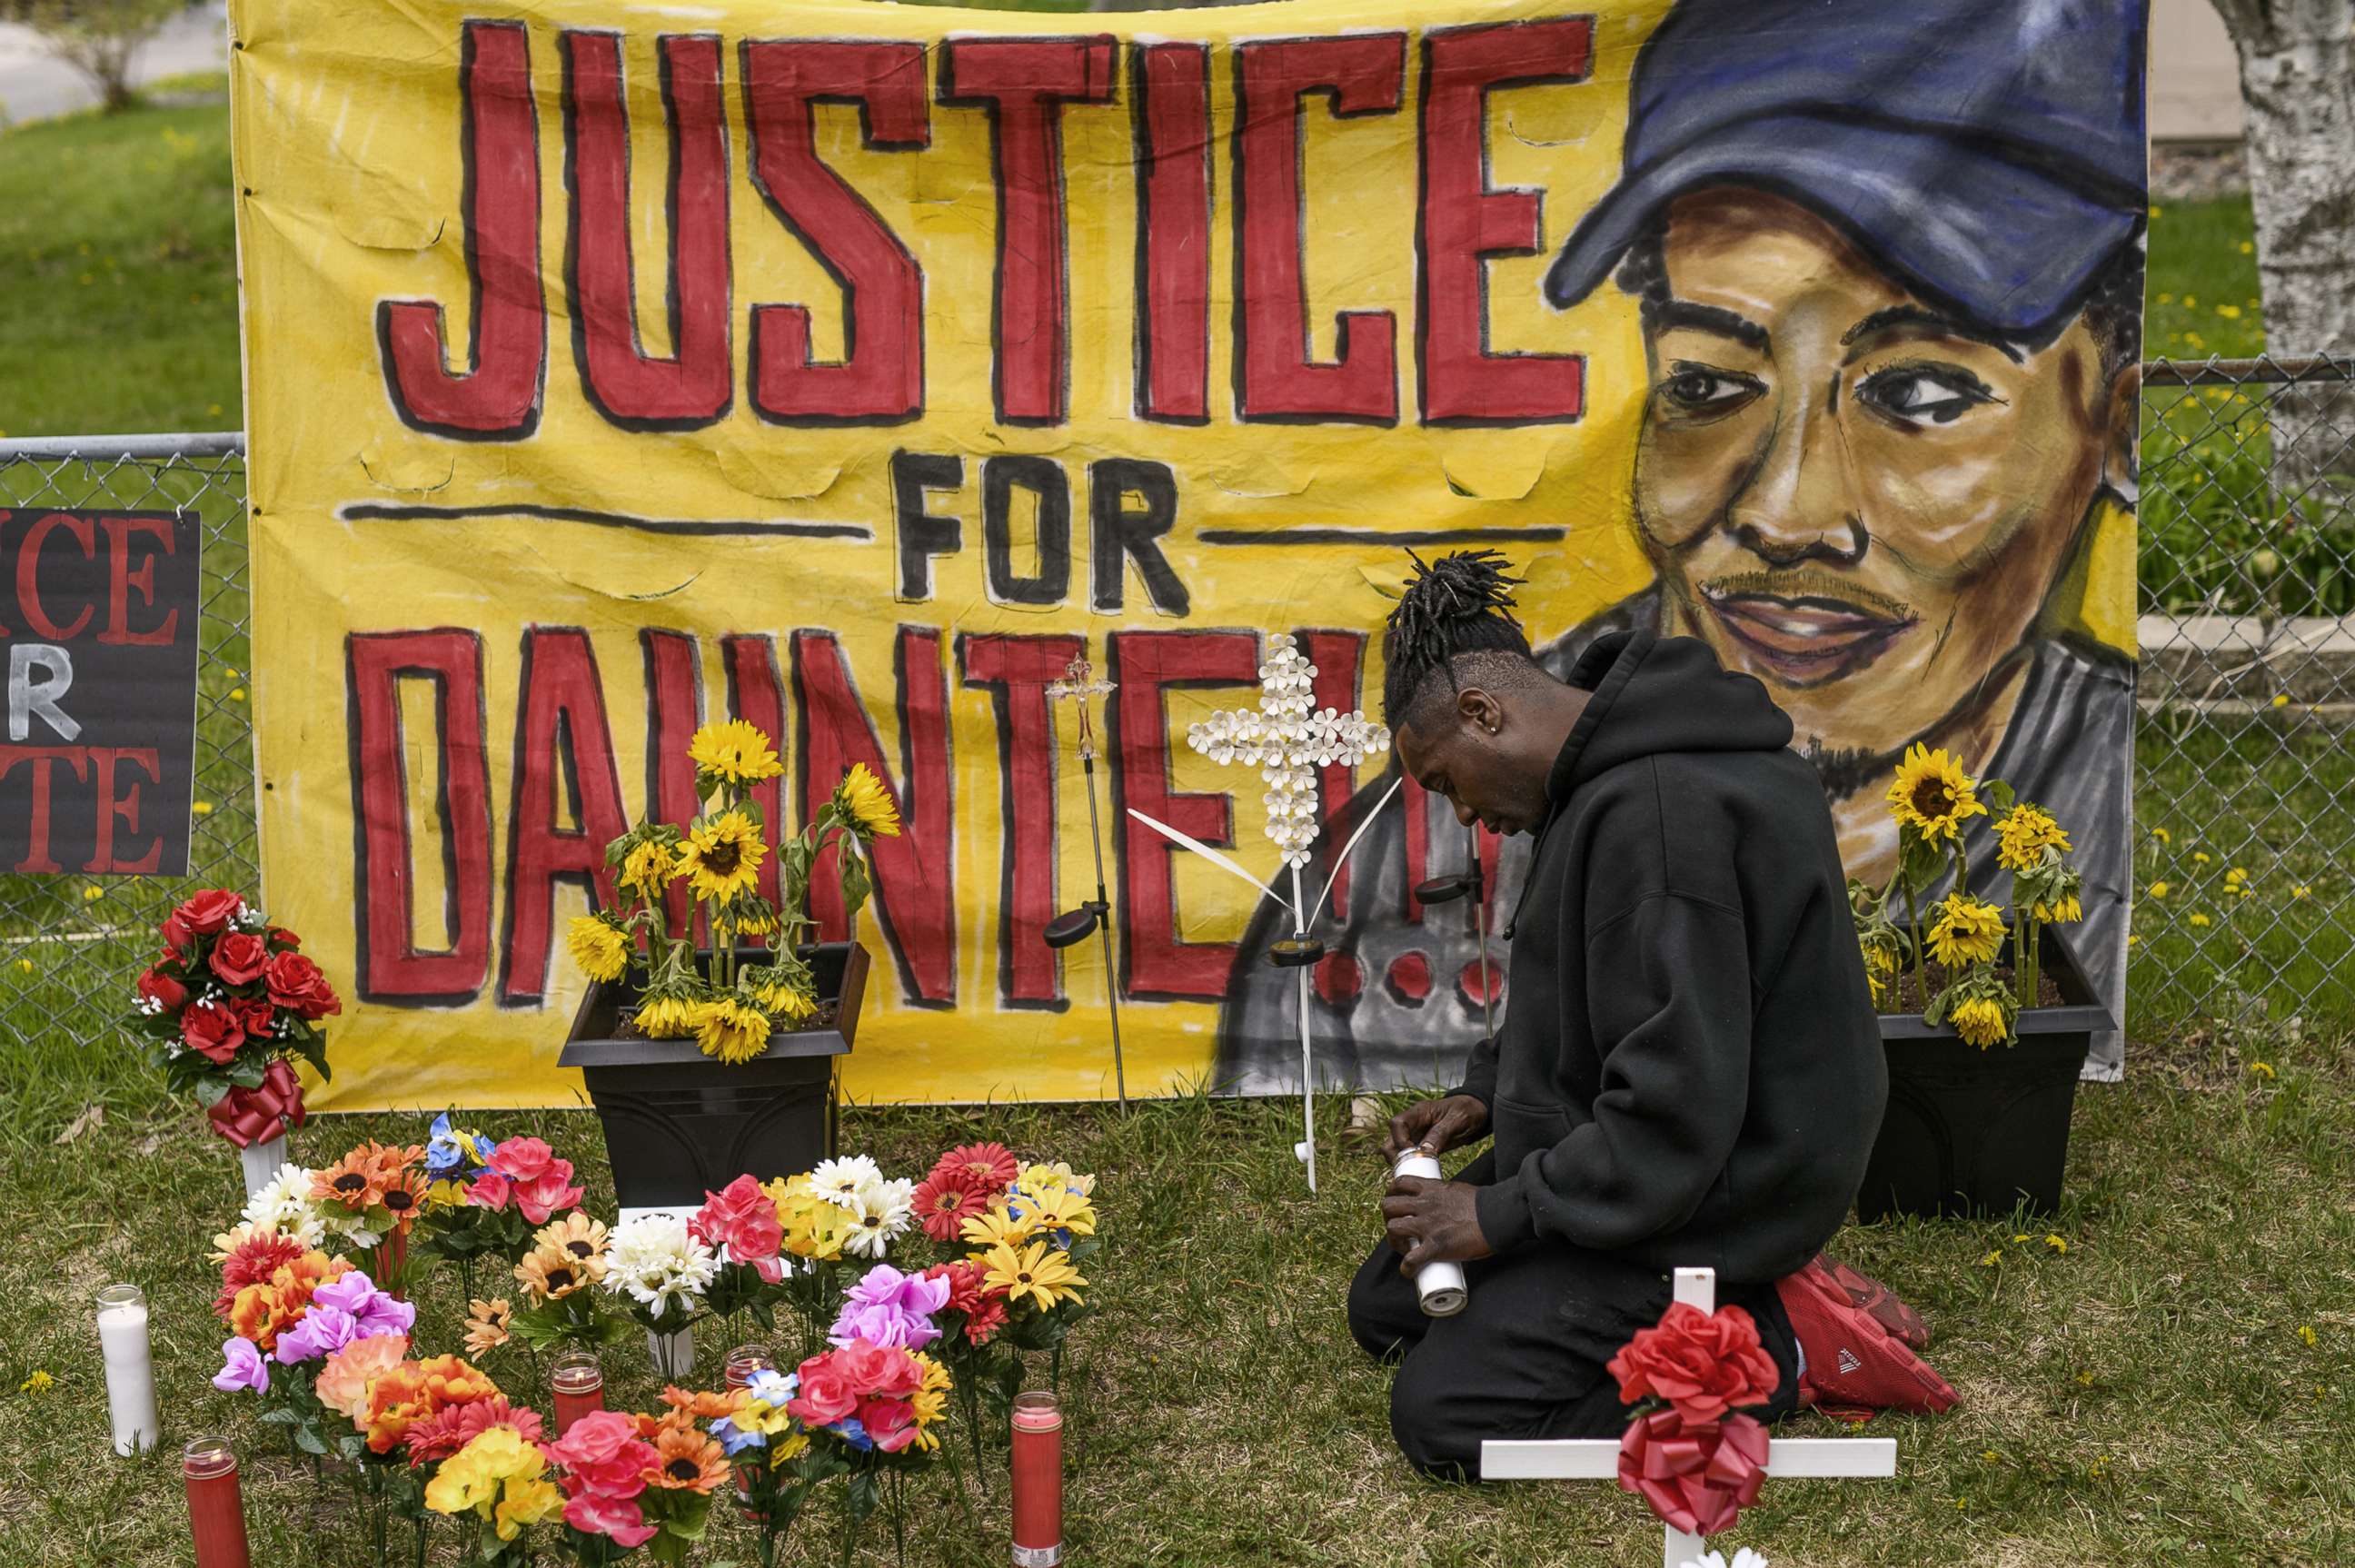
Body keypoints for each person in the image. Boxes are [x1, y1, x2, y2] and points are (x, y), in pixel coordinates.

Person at [1217, 0, 2143, 1091]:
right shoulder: (1386, 863)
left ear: (2111, 423)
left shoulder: (2083, 814)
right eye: (1706, 384)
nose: (1789, 514)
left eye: (1922, 393)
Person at [1348, 551, 1886, 1476]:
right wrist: (1487, 1093)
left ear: (1485, 713)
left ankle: (1771, 1343)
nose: (1465, 812)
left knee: (1445, 1414)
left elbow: (1674, 1114)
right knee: (1386, 1307)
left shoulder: (1661, 819)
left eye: (1445, 779)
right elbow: (1600, 996)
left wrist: (1501, 1212)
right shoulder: (1608, 776)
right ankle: (1693, 1311)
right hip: (1669, 1160)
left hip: (1720, 1196)